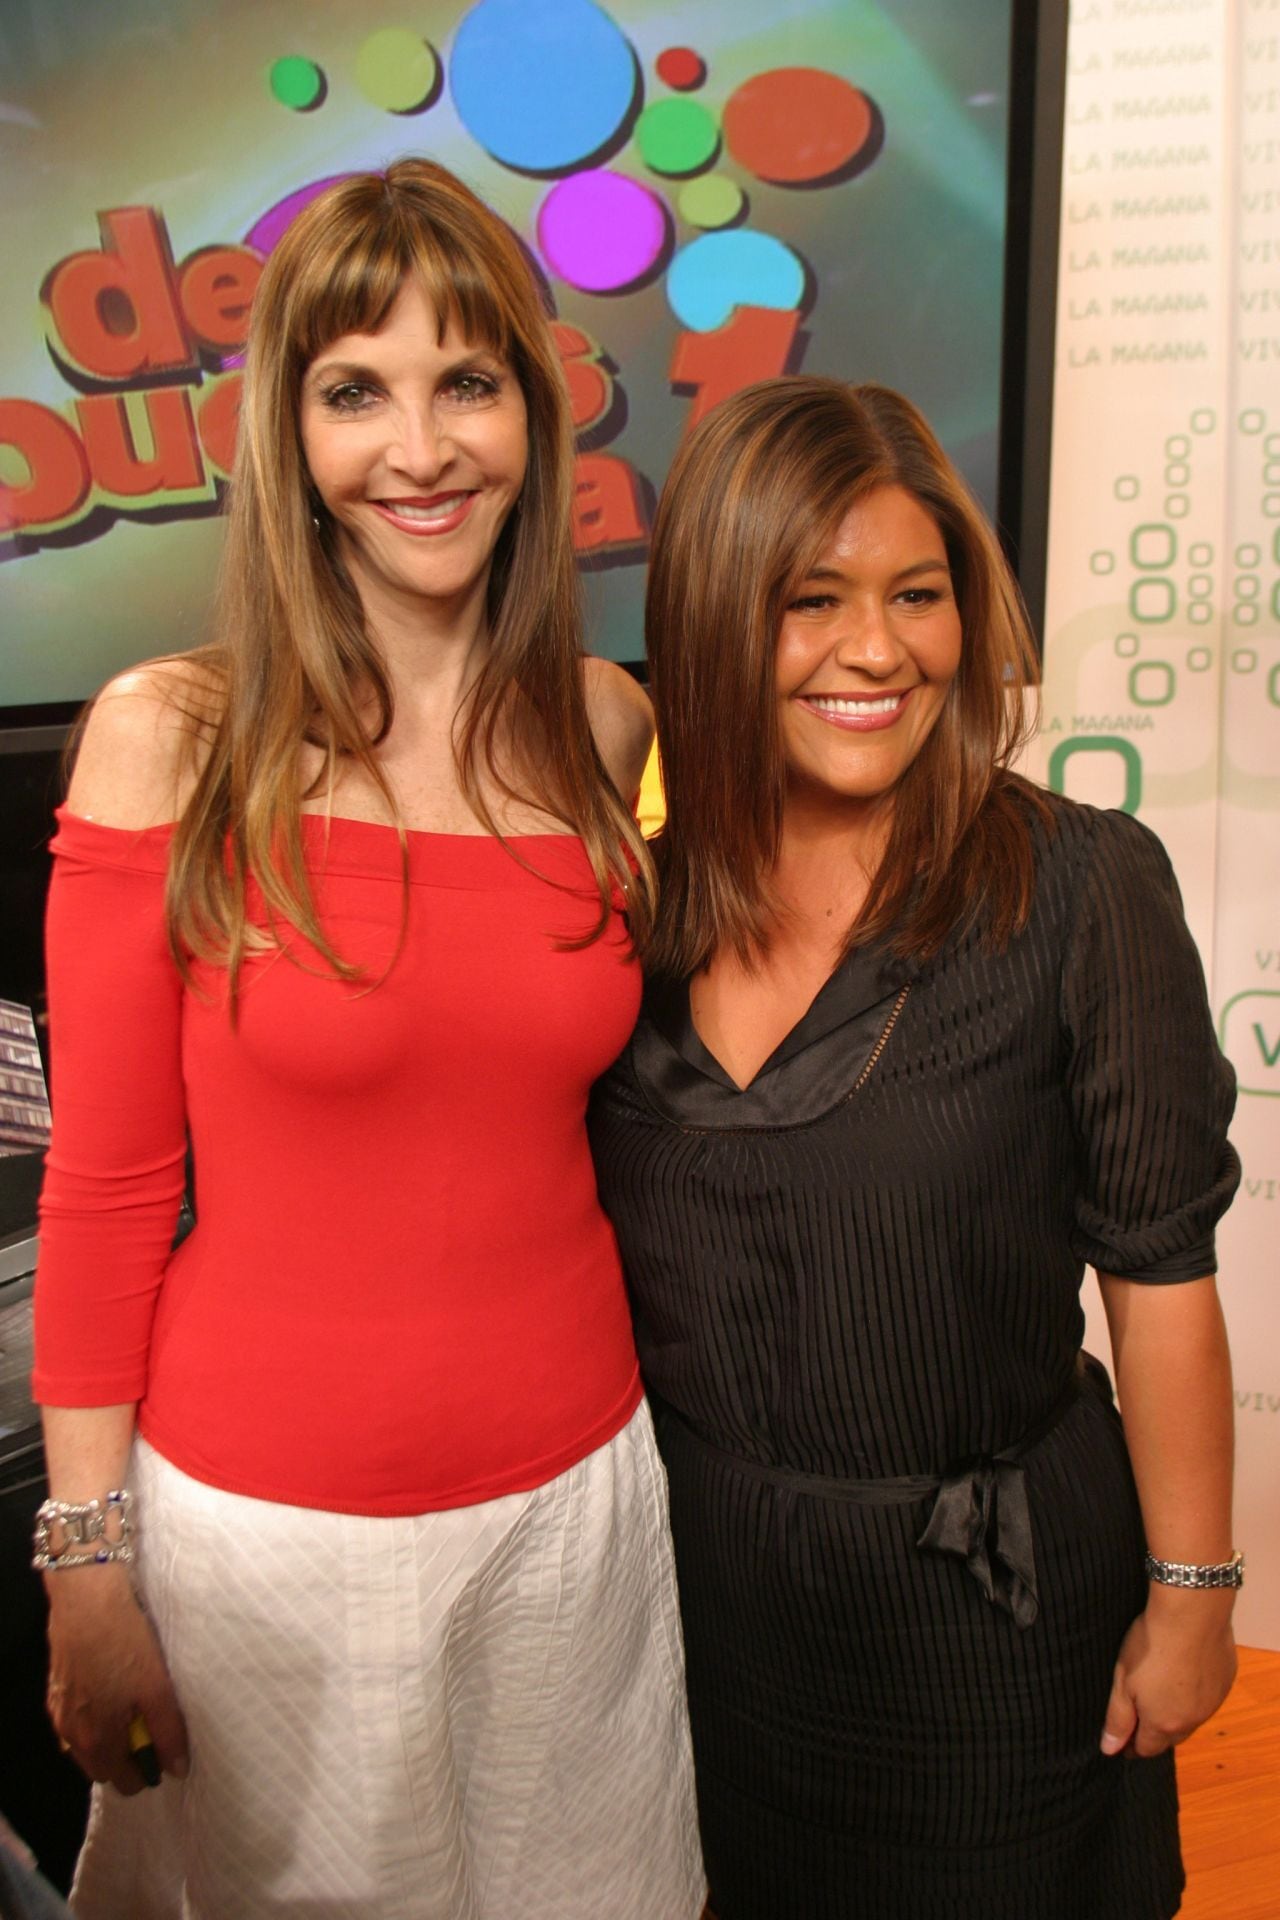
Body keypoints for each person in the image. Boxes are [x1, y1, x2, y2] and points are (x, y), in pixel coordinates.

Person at [32, 160, 703, 1920]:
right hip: (272, 1549)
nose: (420, 449)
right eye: (356, 391)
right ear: (289, 432)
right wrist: (87, 1564)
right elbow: (108, 1187)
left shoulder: (604, 723)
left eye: (465, 382)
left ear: (532, 415)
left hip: (579, 1507)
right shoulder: (171, 736)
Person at [587, 377, 1241, 1920]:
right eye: (811, 600)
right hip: (709, 1608)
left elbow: (1161, 1284)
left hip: (992, 1615)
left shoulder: (1078, 887)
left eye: (918, 594)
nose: (878, 650)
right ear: (713, 622)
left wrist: (1196, 1595)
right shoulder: (627, 909)